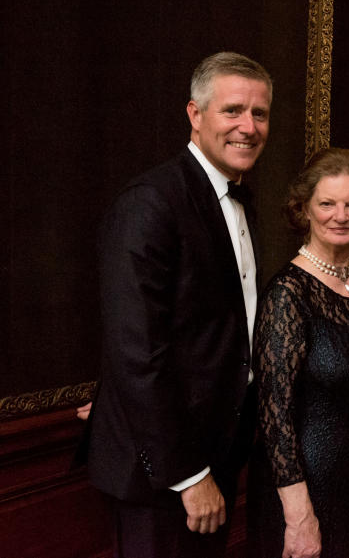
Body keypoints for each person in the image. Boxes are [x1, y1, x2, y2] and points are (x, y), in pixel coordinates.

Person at [85, 52, 272, 558]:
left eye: (260, 114)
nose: (248, 127)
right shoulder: (151, 202)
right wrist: (189, 477)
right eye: (233, 110)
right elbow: (137, 351)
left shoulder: (237, 197)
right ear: (195, 114)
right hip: (164, 474)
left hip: (217, 451)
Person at [248, 148, 349, 558]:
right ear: (305, 210)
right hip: (305, 496)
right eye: (327, 204)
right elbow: (273, 416)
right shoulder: (287, 295)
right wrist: (299, 516)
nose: (341, 215)